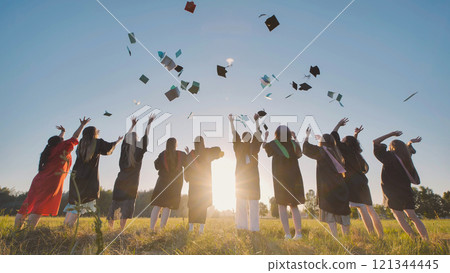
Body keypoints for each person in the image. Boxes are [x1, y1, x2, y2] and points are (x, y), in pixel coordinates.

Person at [15, 118, 90, 229]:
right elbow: (75, 137)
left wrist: (63, 131)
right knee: (39, 206)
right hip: (49, 182)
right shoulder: (61, 148)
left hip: (38, 180)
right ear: (60, 143)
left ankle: (16, 231)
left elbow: (58, 139)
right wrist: (82, 125)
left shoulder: (49, 150)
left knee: (27, 204)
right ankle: (28, 233)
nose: (63, 140)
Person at [332, 118, 383, 238]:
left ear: (346, 143)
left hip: (352, 182)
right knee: (370, 209)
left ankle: (371, 235)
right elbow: (352, 143)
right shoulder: (356, 153)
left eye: (344, 139)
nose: (342, 140)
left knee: (361, 208)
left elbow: (333, 137)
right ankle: (380, 236)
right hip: (363, 182)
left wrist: (339, 124)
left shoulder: (344, 149)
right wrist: (355, 134)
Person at [373, 131, 429, 240]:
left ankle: (414, 239)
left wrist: (391, 134)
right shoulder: (406, 158)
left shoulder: (388, 157)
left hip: (393, 192)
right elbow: (406, 150)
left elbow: (375, 142)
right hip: (406, 191)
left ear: (392, 148)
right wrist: (410, 142)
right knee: (413, 217)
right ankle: (426, 239)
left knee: (399, 216)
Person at [64, 125, 123, 227]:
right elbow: (109, 148)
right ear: (94, 134)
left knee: (74, 201)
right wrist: (117, 141)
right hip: (88, 177)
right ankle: (69, 226)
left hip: (76, 175)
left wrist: (96, 135)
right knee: (81, 203)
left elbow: (91, 144)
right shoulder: (98, 142)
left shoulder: (81, 143)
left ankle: (65, 225)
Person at [107, 115, 155, 230]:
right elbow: (146, 137)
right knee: (126, 207)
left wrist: (132, 126)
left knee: (115, 205)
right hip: (132, 183)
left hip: (120, 181)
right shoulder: (138, 152)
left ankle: (110, 230)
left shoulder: (124, 150)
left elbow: (125, 139)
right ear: (137, 141)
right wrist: (149, 123)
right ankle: (121, 230)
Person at [303, 127, 350, 237]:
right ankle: (346, 238)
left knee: (329, 212)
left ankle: (336, 237)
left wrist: (307, 136)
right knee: (343, 212)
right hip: (341, 187)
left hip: (328, 187)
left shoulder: (321, 151)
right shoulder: (337, 153)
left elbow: (306, 148)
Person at [263, 125, 304, 239]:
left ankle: (287, 234)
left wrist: (265, 137)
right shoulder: (293, 143)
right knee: (294, 205)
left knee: (282, 204)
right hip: (294, 177)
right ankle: (299, 234)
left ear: (276, 133)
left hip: (280, 177)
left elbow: (264, 147)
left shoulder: (274, 143)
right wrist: (295, 139)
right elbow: (299, 153)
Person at [228, 113, 263, 232]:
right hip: (242, 178)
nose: (247, 137)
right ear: (242, 139)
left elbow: (258, 134)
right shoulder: (238, 147)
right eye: (245, 136)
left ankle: (254, 228)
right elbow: (234, 134)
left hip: (252, 178)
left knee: (253, 204)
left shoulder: (254, 146)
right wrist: (231, 122)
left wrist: (257, 121)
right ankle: (241, 226)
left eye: (249, 135)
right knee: (241, 203)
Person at [184, 136, 224, 234]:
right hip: (204, 184)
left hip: (194, 184)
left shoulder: (191, 155)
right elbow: (218, 150)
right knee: (203, 205)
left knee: (193, 205)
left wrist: (187, 178)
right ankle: (201, 229)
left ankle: (191, 228)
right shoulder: (207, 152)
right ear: (203, 143)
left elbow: (186, 167)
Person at [150, 138, 188, 232]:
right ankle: (162, 229)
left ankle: (151, 229)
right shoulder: (181, 154)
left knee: (157, 205)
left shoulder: (162, 154)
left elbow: (156, 166)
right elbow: (187, 162)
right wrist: (187, 153)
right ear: (176, 145)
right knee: (167, 206)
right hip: (174, 185)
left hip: (162, 183)